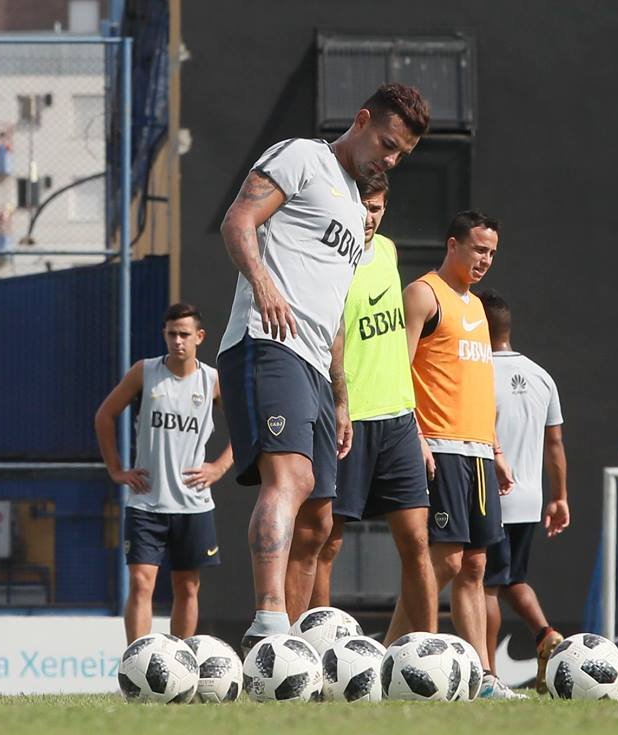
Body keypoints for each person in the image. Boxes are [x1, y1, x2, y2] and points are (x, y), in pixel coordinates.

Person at [216, 83, 429, 651]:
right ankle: (268, 626)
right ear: (361, 121)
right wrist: (263, 283)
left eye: (400, 156)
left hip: (315, 365)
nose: (389, 159)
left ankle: (289, 655)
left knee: (317, 518)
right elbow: (237, 222)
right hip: (268, 341)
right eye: (386, 144)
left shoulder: (361, 212)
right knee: (288, 479)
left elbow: (334, 312)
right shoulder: (302, 156)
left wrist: (340, 398)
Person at [310, 172, 438, 640]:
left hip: (399, 420)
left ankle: (428, 651)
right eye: (363, 205)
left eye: (378, 207)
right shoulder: (325, 258)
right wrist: (338, 406)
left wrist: (419, 429)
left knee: (418, 543)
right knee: (328, 543)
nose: (370, 215)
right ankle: (320, 652)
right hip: (349, 421)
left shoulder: (387, 251)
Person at [400, 210, 521, 699]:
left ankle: (484, 678)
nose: (485, 260)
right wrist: (417, 437)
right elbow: (399, 371)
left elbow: (479, 384)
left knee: (474, 566)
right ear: (453, 245)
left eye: (491, 252)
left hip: (476, 453)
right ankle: (409, 655)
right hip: (440, 445)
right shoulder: (424, 293)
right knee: (444, 562)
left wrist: (495, 449)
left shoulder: (477, 307)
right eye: (478, 249)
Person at [94, 303, 233, 643]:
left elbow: (249, 429)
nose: (178, 341)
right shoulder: (145, 371)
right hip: (146, 502)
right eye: (171, 334)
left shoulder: (212, 380)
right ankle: (137, 665)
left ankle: (181, 664)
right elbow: (104, 416)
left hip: (193, 504)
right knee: (141, 583)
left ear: (199, 337)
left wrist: (219, 466)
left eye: (185, 334)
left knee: (186, 586)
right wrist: (116, 470)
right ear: (164, 335)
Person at [478, 289, 571, 695]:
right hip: (530, 499)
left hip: (491, 495)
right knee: (512, 579)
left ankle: (488, 674)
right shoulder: (541, 375)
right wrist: (560, 496)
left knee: (485, 586)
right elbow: (555, 445)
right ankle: (546, 634)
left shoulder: (477, 373)